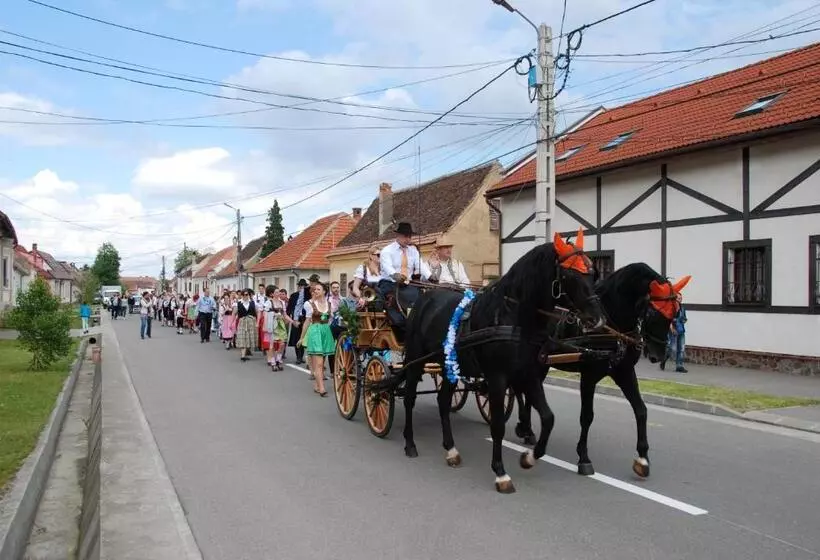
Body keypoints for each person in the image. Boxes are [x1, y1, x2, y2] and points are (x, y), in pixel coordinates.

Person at [378, 222, 429, 329]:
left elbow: (421, 266)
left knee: (420, 297)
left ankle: (418, 321)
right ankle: (401, 321)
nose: (408, 239)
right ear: (398, 236)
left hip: (407, 284)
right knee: (398, 300)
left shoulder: (413, 251)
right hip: (390, 283)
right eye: (406, 236)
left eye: (410, 236)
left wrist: (430, 276)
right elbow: (387, 267)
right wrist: (395, 275)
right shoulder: (387, 251)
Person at [298, 282, 335, 397]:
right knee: (318, 363)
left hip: (326, 331)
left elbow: (331, 319)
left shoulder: (330, 304)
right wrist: (302, 337)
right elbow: (307, 321)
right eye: (315, 290)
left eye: (319, 289)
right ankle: (322, 388)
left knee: (322, 362)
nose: (316, 291)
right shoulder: (309, 304)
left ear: (324, 291)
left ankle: (317, 384)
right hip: (315, 332)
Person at [662, 293, 688, 373]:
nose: (680, 300)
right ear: (675, 299)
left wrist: (684, 320)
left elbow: (684, 318)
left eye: (681, 298)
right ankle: (664, 358)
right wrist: (671, 328)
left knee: (681, 349)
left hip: (681, 330)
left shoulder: (682, 308)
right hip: (673, 331)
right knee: (673, 348)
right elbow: (668, 319)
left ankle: (679, 366)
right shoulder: (671, 308)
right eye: (679, 298)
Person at [286, 279, 309, 364]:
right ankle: (298, 357)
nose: (302, 288)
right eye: (300, 286)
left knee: (303, 337)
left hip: (305, 318)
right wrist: (290, 319)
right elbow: (289, 308)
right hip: (296, 318)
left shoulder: (308, 296)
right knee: (296, 338)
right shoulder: (294, 296)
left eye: (303, 286)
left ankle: (301, 356)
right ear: (298, 287)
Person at [235, 289, 258, 362]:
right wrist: (232, 323)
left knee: (250, 338)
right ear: (242, 295)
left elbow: (257, 313)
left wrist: (258, 322)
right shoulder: (238, 303)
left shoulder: (253, 303)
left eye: (247, 294)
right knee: (242, 338)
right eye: (244, 295)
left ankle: (247, 351)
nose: (246, 296)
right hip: (242, 321)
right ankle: (243, 356)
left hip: (251, 321)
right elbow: (234, 313)